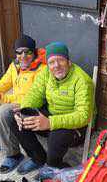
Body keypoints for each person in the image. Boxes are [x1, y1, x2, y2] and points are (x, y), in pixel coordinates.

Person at [7, 41, 94, 175]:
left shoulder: (82, 80)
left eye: (61, 60)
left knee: (56, 136)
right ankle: (38, 159)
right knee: (15, 120)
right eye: (52, 62)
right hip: (52, 117)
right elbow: (33, 95)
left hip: (76, 126)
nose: (56, 66)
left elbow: (83, 116)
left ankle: (55, 165)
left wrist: (50, 123)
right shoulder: (46, 73)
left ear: (69, 62)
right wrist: (22, 111)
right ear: (48, 65)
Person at [0, 35, 46, 173]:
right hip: (14, 102)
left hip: (31, 106)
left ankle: (13, 154)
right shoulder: (15, 66)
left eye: (28, 52)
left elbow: (31, 97)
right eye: (19, 52)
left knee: (4, 111)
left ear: (34, 52)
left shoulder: (41, 70)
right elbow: (3, 84)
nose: (23, 56)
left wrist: (3, 99)